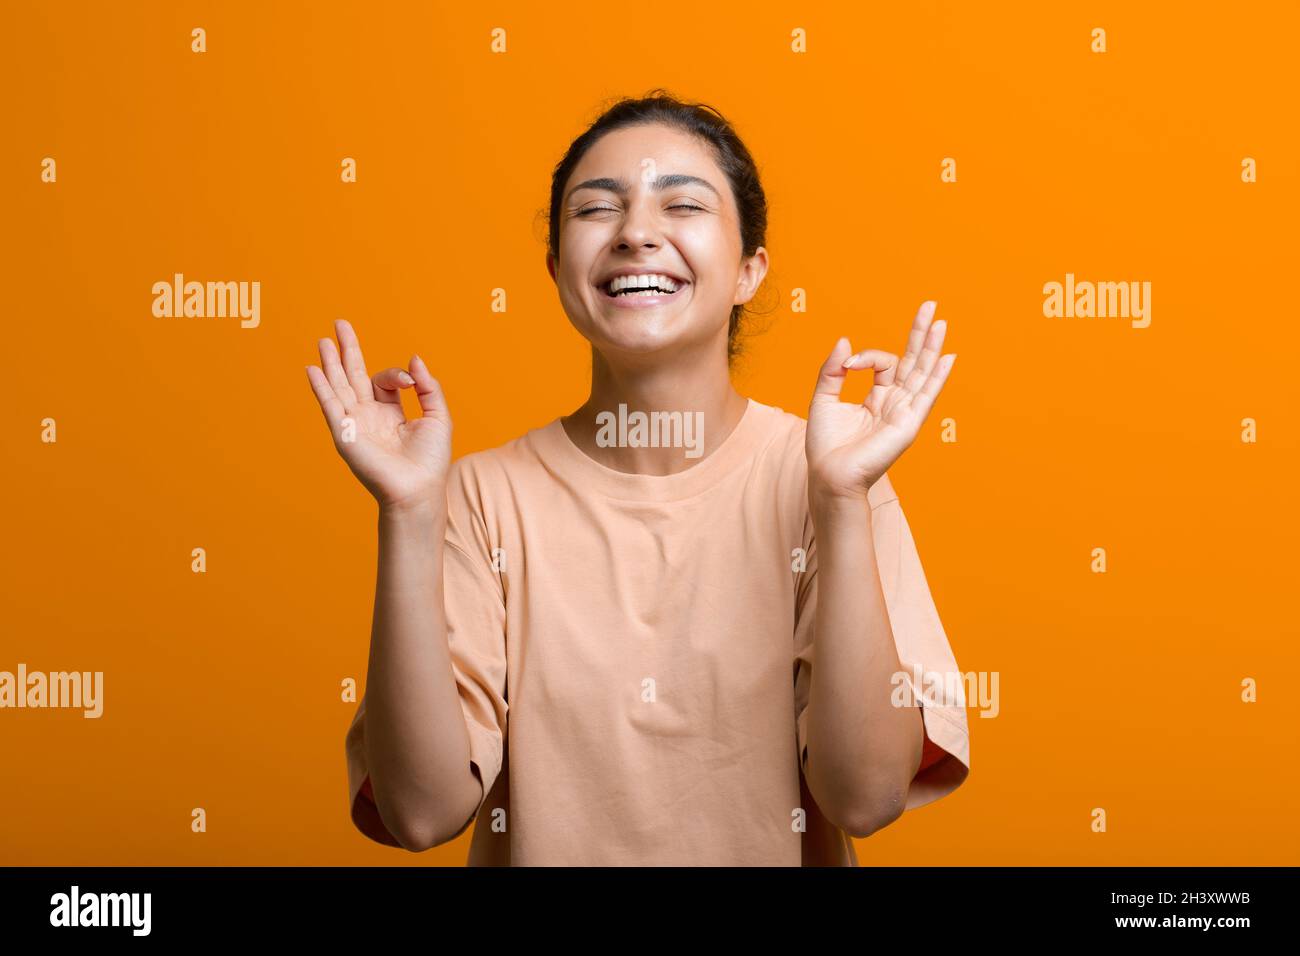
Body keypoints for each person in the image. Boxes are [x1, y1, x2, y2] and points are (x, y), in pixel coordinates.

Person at [305, 90, 970, 866]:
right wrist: (410, 512)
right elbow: (422, 813)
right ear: (558, 269)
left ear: (751, 269)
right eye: (597, 209)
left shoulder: (827, 480)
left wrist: (845, 501)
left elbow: (867, 796)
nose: (636, 234)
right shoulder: (481, 498)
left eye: (681, 205)